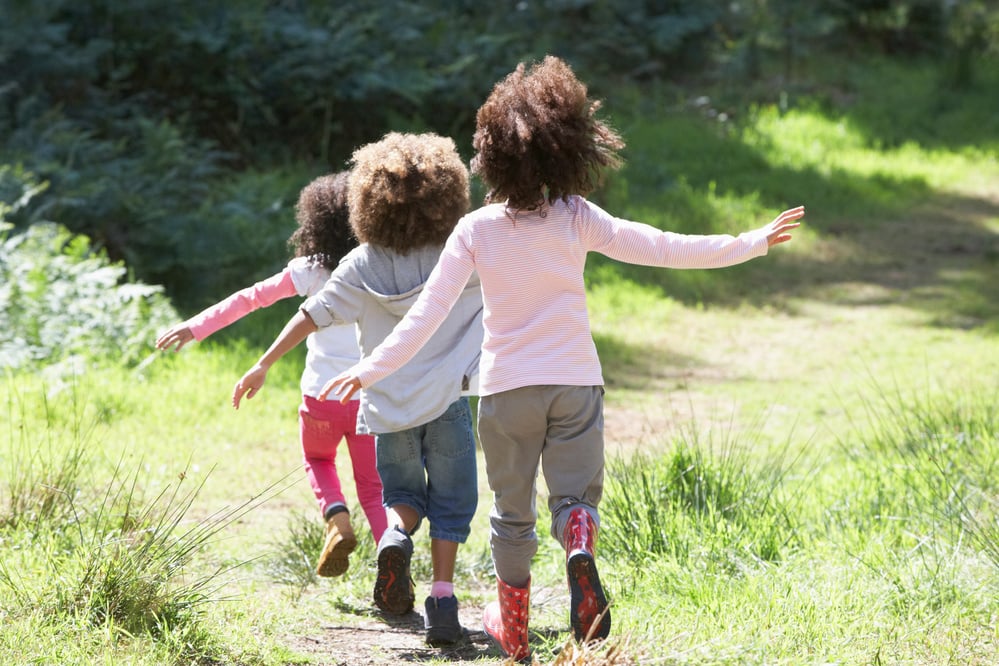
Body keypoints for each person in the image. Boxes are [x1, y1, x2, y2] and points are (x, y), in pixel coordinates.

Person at [319, 55, 804, 661]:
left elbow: (425, 316)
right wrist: (750, 243)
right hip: (575, 383)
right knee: (574, 497)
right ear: (567, 148)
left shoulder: (474, 229)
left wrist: (371, 369)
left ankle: (514, 628)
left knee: (511, 516)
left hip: (506, 391)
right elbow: (661, 246)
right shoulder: (576, 218)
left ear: (490, 153)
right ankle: (578, 540)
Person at [230, 132, 482, 647]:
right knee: (452, 506)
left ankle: (393, 539)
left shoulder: (361, 262)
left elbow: (309, 315)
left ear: (367, 199)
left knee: (403, 497)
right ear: (447, 193)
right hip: (448, 403)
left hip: (386, 408)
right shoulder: (456, 253)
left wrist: (262, 364)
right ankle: (442, 603)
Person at [155, 171, 387, 578]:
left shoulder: (312, 270)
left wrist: (197, 326)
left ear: (316, 222)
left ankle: (336, 518)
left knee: (317, 458)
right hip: (369, 397)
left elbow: (251, 298)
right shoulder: (379, 266)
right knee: (373, 488)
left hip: (321, 398)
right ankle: (392, 562)